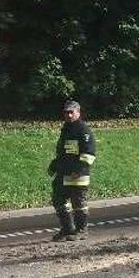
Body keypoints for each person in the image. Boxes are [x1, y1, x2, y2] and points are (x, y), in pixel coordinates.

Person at [48, 100, 96, 241]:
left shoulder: (83, 130)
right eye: (66, 112)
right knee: (58, 199)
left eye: (71, 112)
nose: (68, 115)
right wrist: (54, 165)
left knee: (78, 203)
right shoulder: (66, 129)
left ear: (78, 113)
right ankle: (67, 229)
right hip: (64, 173)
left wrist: (79, 170)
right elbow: (64, 152)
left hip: (78, 175)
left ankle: (81, 230)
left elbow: (89, 153)